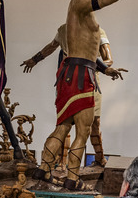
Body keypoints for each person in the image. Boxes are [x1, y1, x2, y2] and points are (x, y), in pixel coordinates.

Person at [31, 0, 131, 191]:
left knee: (64, 126)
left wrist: (105, 70)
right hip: (80, 75)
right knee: (83, 130)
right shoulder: (83, 0)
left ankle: (44, 169)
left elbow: (83, 50)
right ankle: (72, 177)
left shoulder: (77, 4)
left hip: (71, 71)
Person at [22, 25, 123, 170]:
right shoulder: (67, 29)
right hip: (74, 82)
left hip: (79, 82)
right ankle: (63, 165)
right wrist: (34, 59)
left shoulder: (94, 30)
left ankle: (95, 159)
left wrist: (104, 68)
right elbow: (51, 46)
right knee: (73, 127)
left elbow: (107, 59)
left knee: (79, 124)